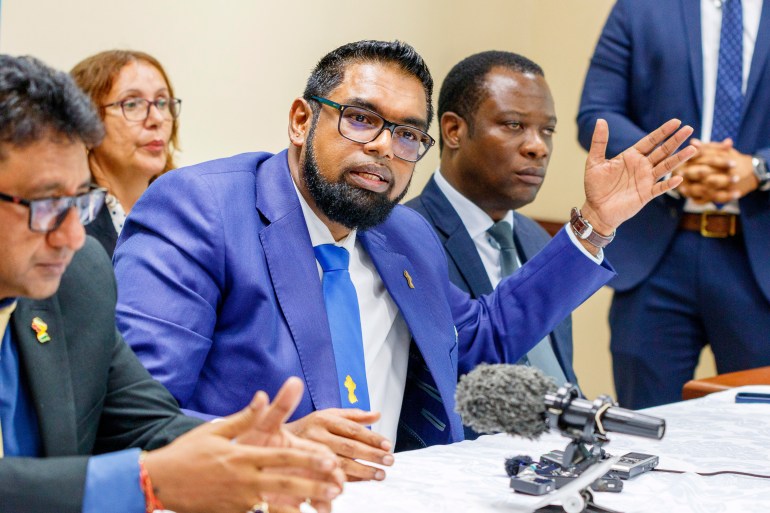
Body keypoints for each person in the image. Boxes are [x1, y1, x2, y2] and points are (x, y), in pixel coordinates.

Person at [113, 40, 693, 481]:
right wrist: (271, 444)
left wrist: (594, 224)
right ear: (300, 120)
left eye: (408, 136)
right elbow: (137, 412)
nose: (384, 148)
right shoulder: (202, 209)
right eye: (361, 119)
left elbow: (477, 341)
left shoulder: (402, 231)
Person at [0, 54, 343, 513]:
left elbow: (145, 421)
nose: (73, 236)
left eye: (79, 201)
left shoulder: (81, 278)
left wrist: (256, 454)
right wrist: (142, 481)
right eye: (45, 205)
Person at [577, 0, 770, 409]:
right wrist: (672, 164)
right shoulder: (640, 8)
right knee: (645, 433)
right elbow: (596, 113)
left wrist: (759, 167)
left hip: (760, 266)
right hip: (657, 261)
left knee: (760, 438)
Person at [406, 51, 577, 398]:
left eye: (547, 130)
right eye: (514, 125)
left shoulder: (537, 238)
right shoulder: (409, 236)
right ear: (454, 130)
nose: (537, 147)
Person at [70, 50, 181, 256]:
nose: (156, 118)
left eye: (162, 102)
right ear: (86, 122)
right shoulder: (65, 218)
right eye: (131, 104)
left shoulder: (186, 208)